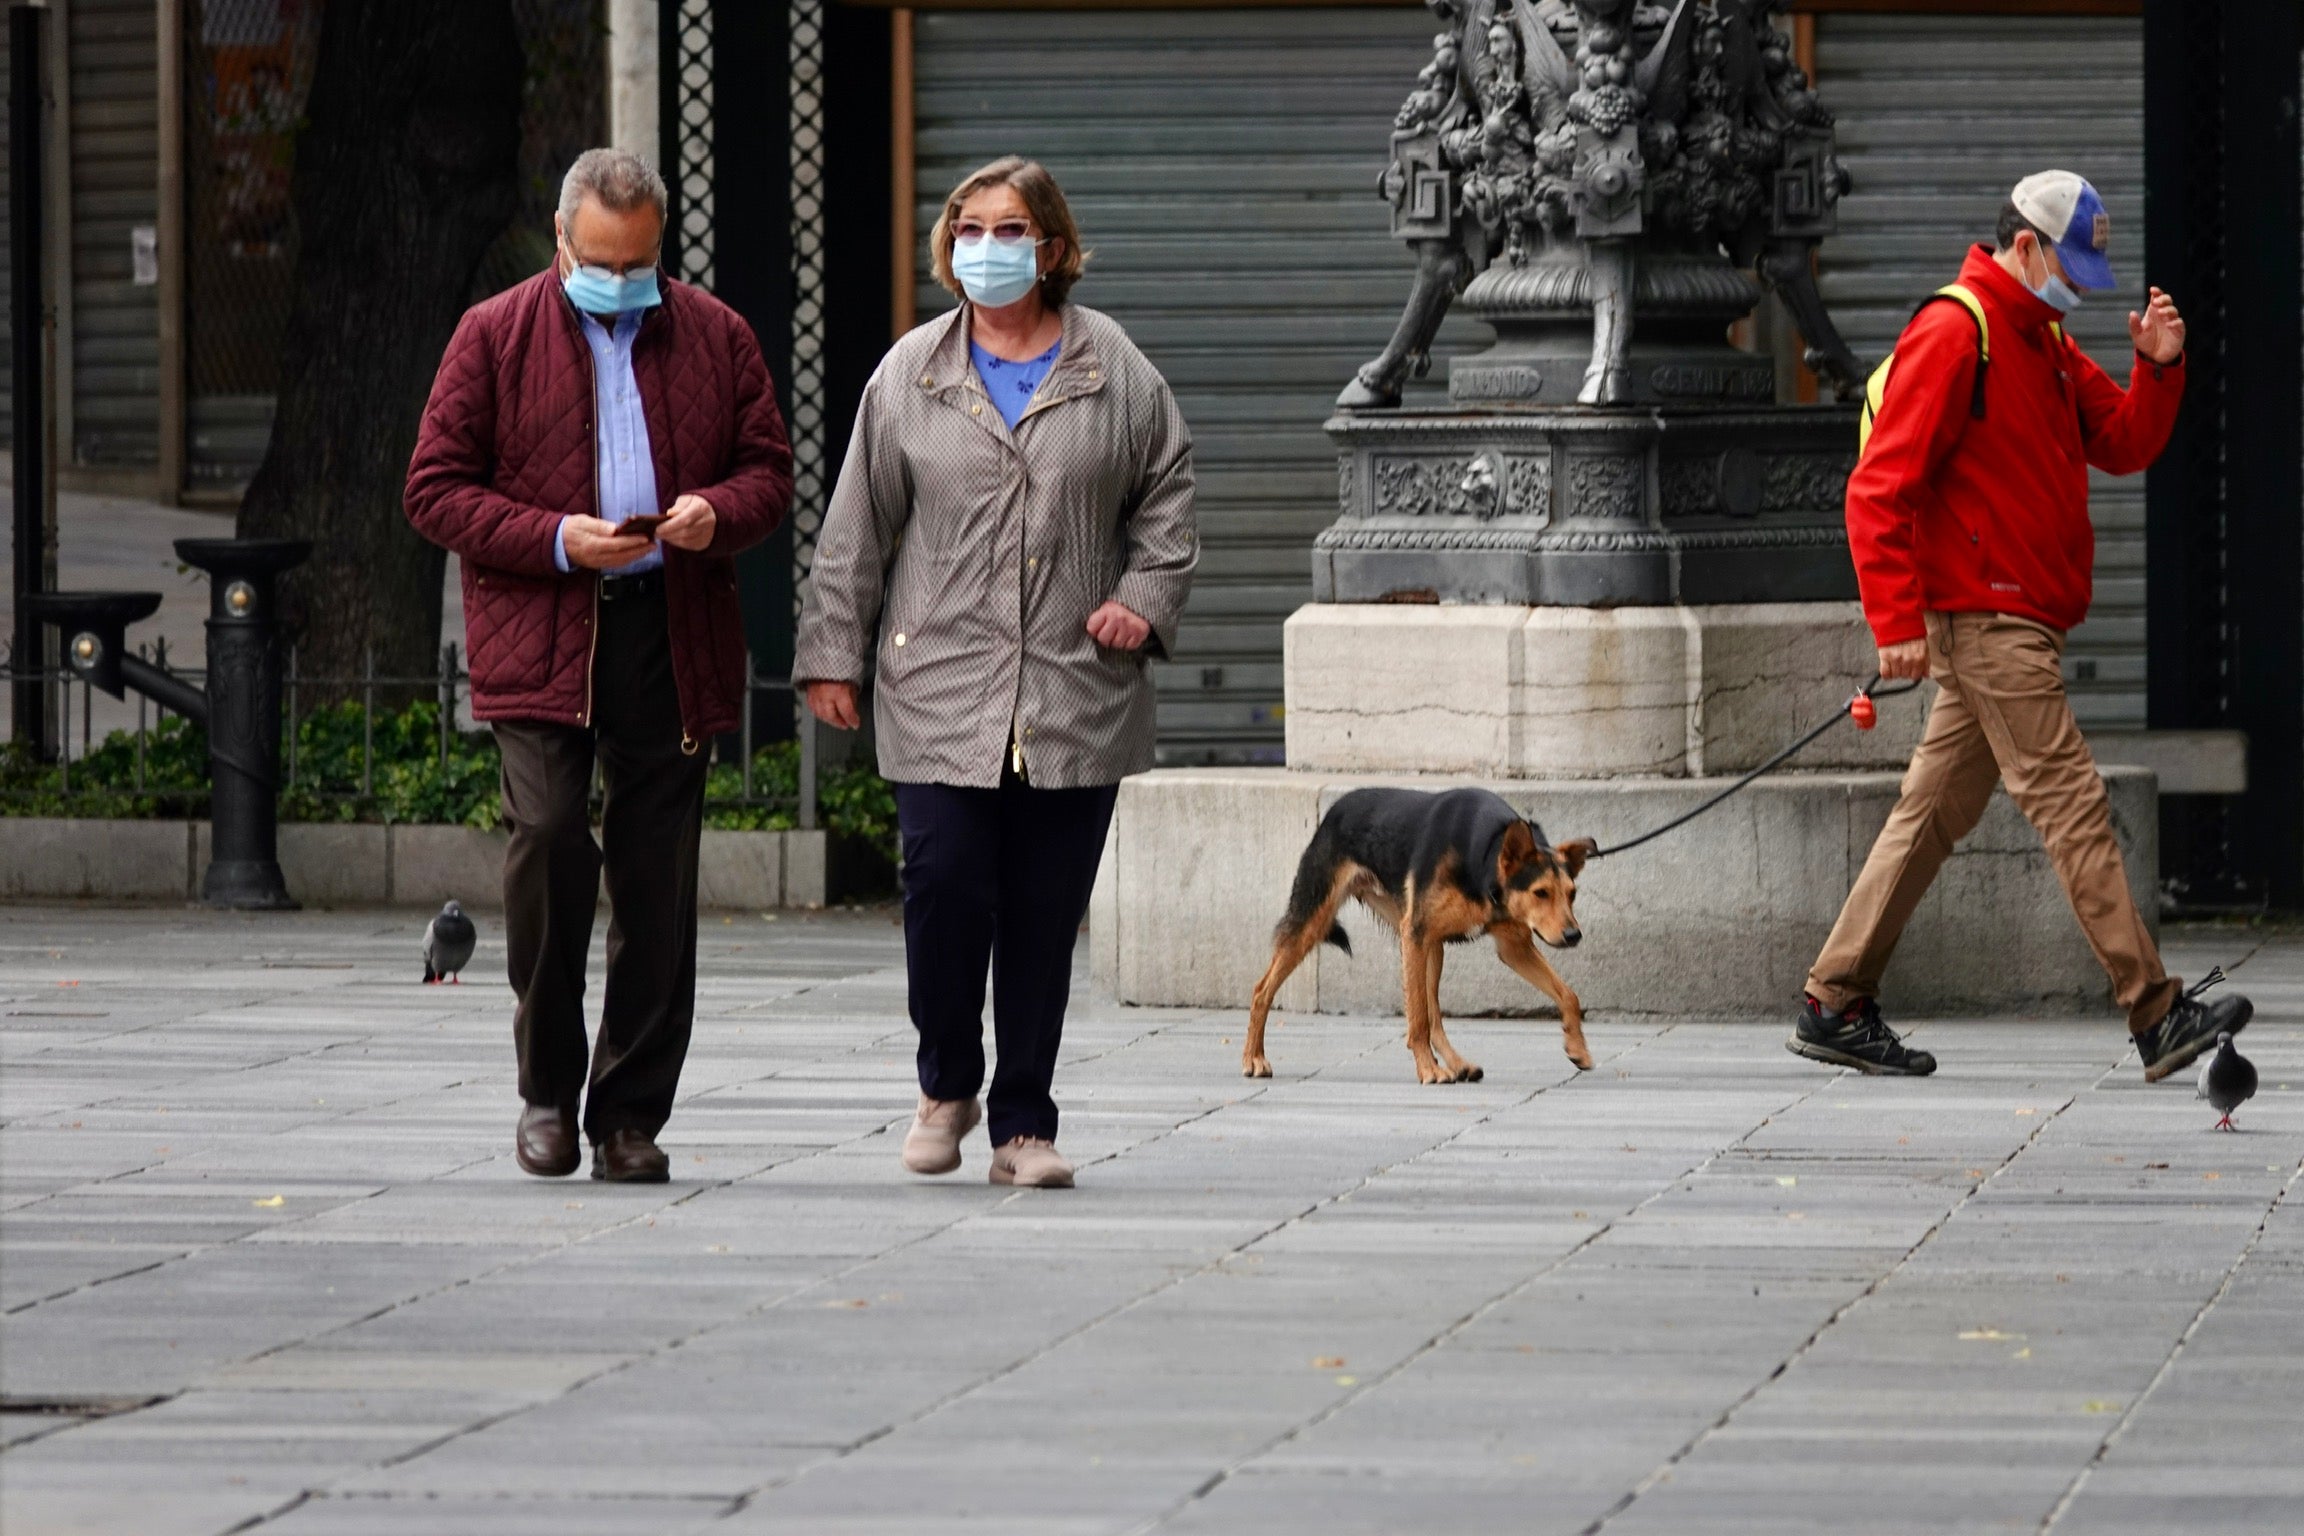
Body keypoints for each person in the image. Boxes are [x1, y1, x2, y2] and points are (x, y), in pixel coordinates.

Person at [1793, 169, 2250, 1080]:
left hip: (2015, 617)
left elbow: (2121, 442)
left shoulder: (2042, 339)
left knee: (1930, 814)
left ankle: (1834, 1000)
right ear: (2026, 245)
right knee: (2073, 805)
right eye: (2070, 266)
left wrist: (2157, 365)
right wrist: (1895, 618)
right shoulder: (1956, 330)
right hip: (1991, 618)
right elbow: (1876, 487)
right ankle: (2156, 1015)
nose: (2080, 287)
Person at [794, 156, 1196, 1189]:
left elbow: (1168, 510)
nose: (985, 246)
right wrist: (831, 653)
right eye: (969, 226)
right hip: (938, 681)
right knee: (942, 885)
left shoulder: (1118, 373)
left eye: (1009, 229)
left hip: (1075, 689)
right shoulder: (910, 375)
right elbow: (854, 528)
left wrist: (1141, 604)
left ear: (1053, 248)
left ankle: (1023, 1126)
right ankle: (945, 1081)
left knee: (1040, 916)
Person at [406, 149, 793, 1182]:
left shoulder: (715, 333)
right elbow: (434, 490)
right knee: (546, 839)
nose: (622, 281)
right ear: (563, 237)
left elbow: (770, 472)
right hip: (543, 629)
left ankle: (627, 1116)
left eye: (642, 263)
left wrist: (719, 513)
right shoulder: (493, 334)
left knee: (656, 881)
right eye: (603, 260)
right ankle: (545, 1090)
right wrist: (554, 538)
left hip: (670, 629)